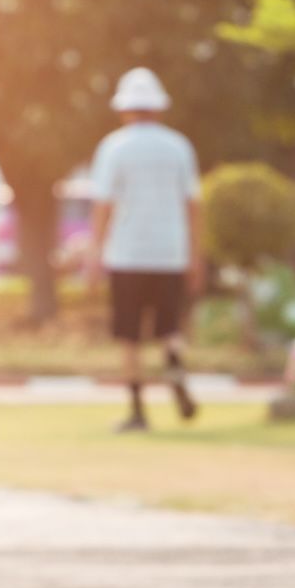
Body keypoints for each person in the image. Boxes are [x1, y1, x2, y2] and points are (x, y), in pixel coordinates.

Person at [85, 67, 203, 433]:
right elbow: (193, 205)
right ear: (159, 108)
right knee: (170, 326)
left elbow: (103, 206)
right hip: (170, 253)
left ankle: (138, 412)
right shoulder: (179, 147)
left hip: (127, 255)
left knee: (130, 336)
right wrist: (196, 255)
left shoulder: (114, 147)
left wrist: (94, 254)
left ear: (124, 110)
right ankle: (174, 363)